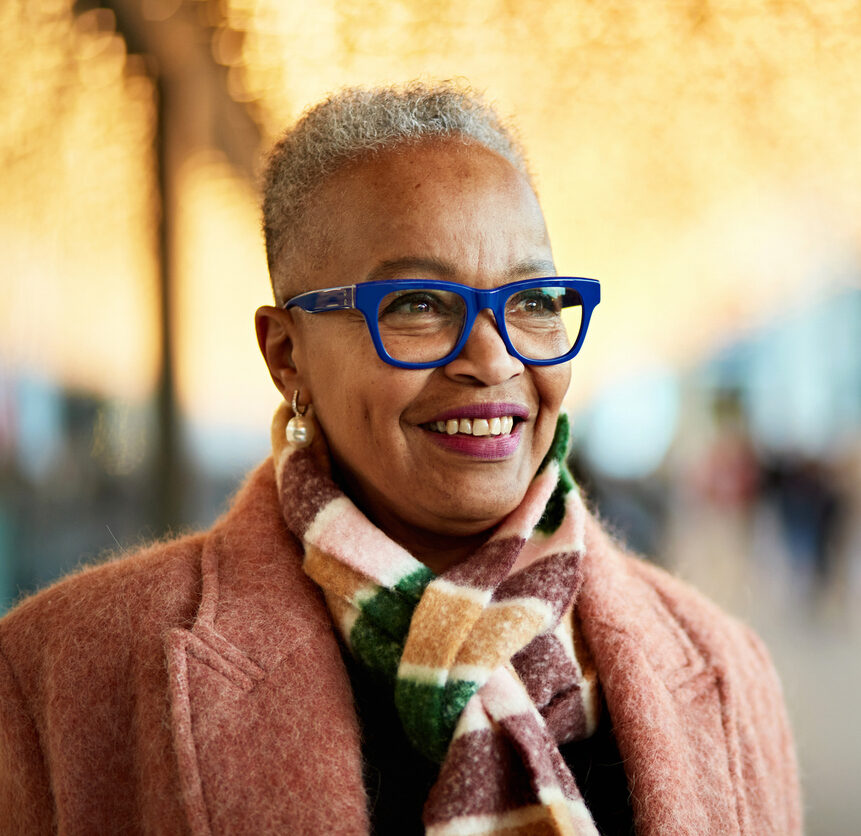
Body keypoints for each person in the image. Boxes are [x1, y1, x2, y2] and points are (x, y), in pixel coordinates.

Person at [0, 82, 801, 835]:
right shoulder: (56, 676)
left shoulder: (727, 667)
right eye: (417, 304)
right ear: (287, 357)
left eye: (528, 301)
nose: (492, 359)